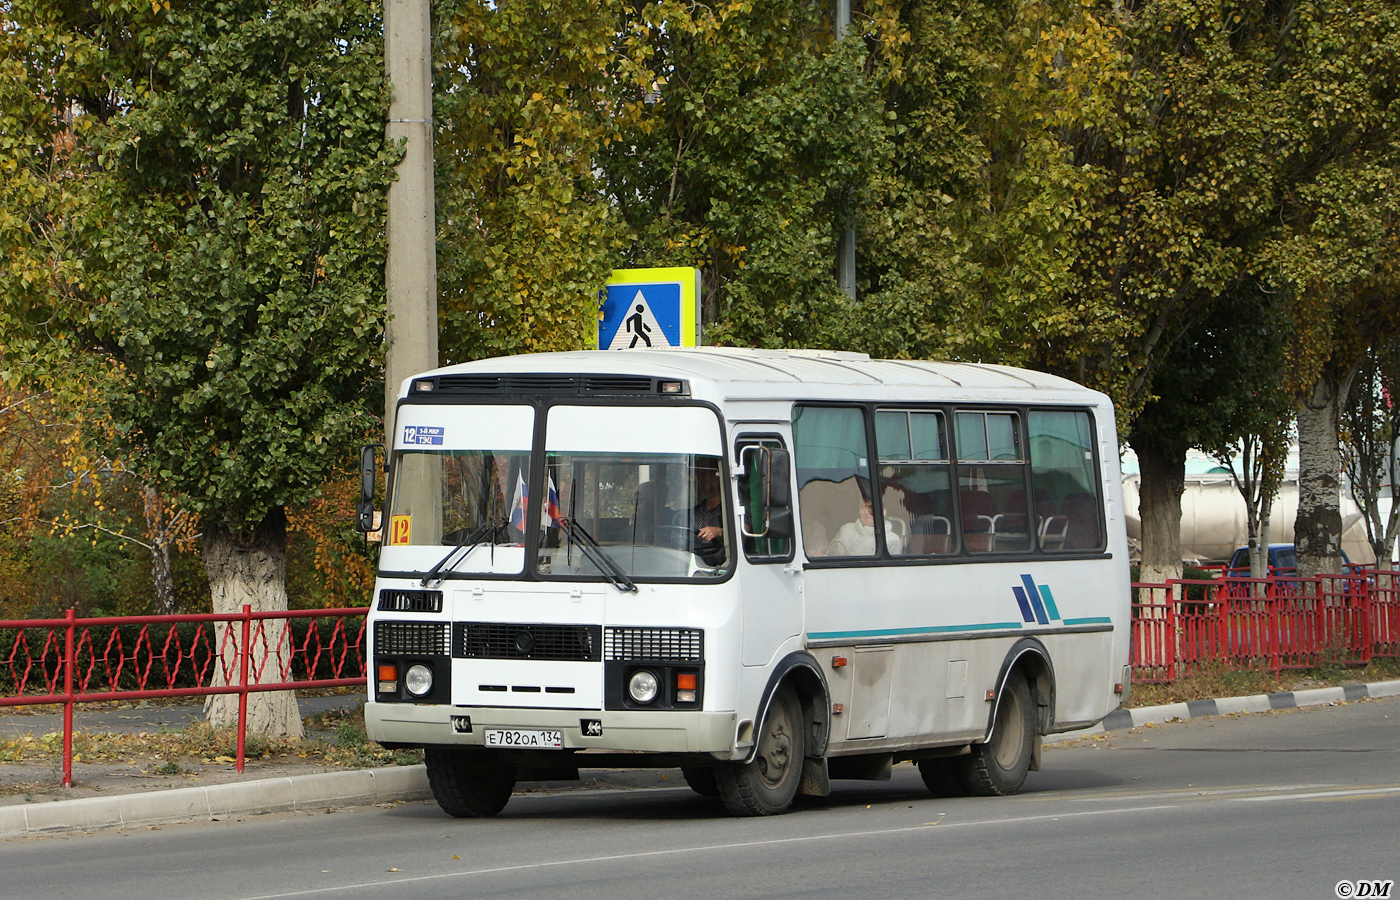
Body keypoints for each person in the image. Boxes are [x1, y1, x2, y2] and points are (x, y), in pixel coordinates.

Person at [680, 463, 726, 566]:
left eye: (707, 472)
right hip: (690, 565)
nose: (702, 478)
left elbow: (742, 538)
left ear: (719, 474)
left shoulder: (731, 509)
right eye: (699, 474)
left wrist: (720, 532)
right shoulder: (694, 513)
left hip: (720, 568)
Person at [827, 496, 902, 556]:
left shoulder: (892, 539)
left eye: (871, 507)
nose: (867, 512)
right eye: (863, 507)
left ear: (883, 512)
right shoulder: (845, 529)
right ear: (858, 511)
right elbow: (831, 557)